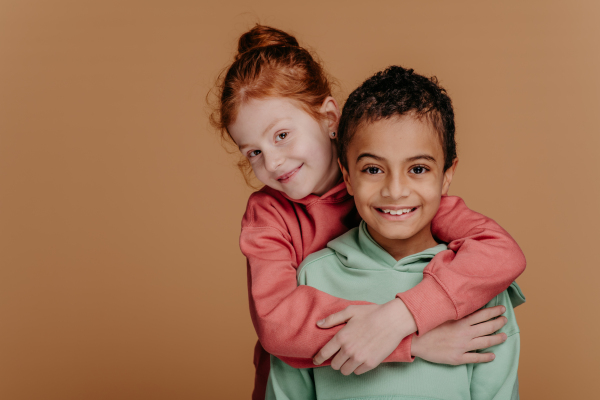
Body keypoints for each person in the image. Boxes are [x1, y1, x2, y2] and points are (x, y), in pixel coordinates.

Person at [210, 25, 526, 400]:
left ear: (330, 118)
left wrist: (402, 316)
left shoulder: (393, 195)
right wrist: (412, 337)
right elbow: (277, 321)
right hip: (306, 369)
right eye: (254, 153)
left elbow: (500, 252)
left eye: (281, 135)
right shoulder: (268, 214)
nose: (274, 162)